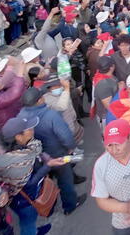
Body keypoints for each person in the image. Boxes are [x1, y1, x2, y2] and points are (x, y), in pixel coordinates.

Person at [17, 87, 86, 215]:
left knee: (44, 180)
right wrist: (71, 147)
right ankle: (70, 205)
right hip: (57, 154)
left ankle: (49, 205)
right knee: (65, 180)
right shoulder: (51, 115)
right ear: (39, 100)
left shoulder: (21, 115)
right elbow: (65, 136)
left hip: (36, 157)